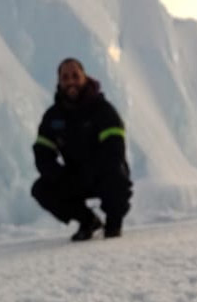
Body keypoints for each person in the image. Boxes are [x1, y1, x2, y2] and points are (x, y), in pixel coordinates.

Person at [31, 58, 132, 240]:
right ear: (59, 82)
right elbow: (42, 154)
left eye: (75, 76)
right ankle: (88, 221)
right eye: (65, 77)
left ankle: (114, 223)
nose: (71, 81)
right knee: (41, 189)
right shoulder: (53, 117)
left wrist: (95, 171)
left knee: (116, 174)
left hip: (104, 174)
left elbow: (114, 150)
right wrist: (59, 175)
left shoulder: (103, 110)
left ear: (85, 78)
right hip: (75, 177)